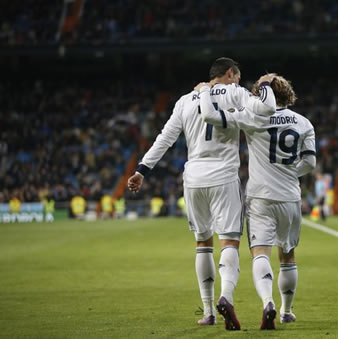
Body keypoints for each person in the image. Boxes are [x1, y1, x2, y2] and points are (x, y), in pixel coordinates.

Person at [127, 57, 276, 330]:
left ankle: (208, 311)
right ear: (230, 74)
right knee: (229, 242)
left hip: (193, 178)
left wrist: (141, 170)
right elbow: (263, 112)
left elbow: (165, 138)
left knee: (202, 243)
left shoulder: (185, 100)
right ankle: (225, 296)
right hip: (224, 176)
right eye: (237, 77)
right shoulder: (236, 93)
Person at [197, 74, 316, 329]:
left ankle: (267, 301)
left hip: (260, 195)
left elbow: (215, 118)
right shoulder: (304, 123)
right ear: (288, 94)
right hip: (290, 196)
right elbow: (310, 162)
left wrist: (208, 93)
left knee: (260, 252)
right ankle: (286, 311)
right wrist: (287, 172)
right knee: (287, 254)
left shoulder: (253, 117)